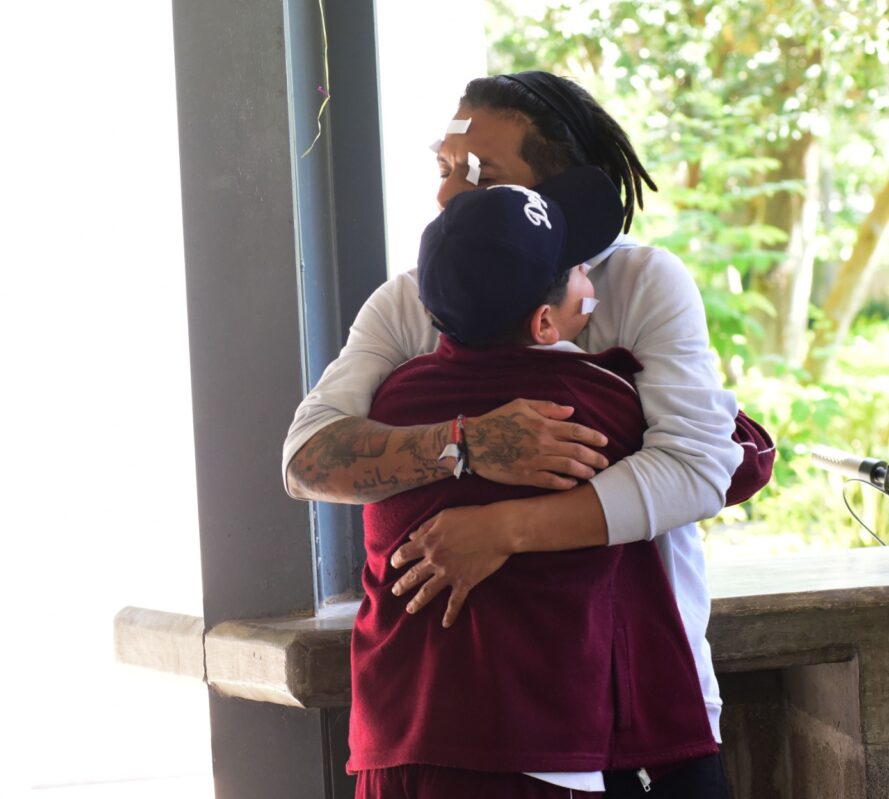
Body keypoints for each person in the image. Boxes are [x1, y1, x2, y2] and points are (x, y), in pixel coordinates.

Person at [284, 70, 774, 788]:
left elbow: (698, 469)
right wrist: (464, 443)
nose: (448, 196)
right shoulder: (408, 300)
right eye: (445, 168)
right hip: (439, 721)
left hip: (644, 703)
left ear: (561, 190)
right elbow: (306, 459)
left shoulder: (644, 283)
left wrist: (502, 529)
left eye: (480, 174)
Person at [350, 166, 725, 798]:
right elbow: (729, 460)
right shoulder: (595, 401)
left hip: (394, 734)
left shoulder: (390, 400)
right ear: (546, 324)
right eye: (579, 270)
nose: (590, 279)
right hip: (532, 743)